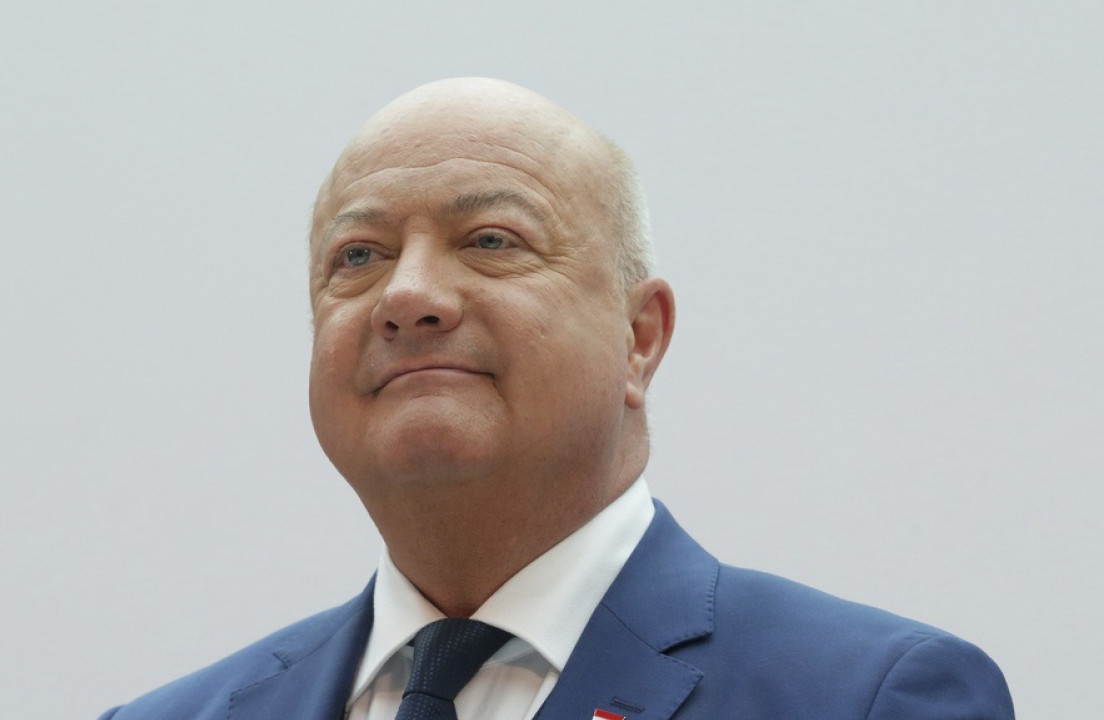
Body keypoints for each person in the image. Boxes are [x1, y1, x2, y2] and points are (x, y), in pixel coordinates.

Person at [98, 78, 1014, 720]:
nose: (407, 295)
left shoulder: (866, 697)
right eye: (359, 256)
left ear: (639, 338)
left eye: (491, 240)